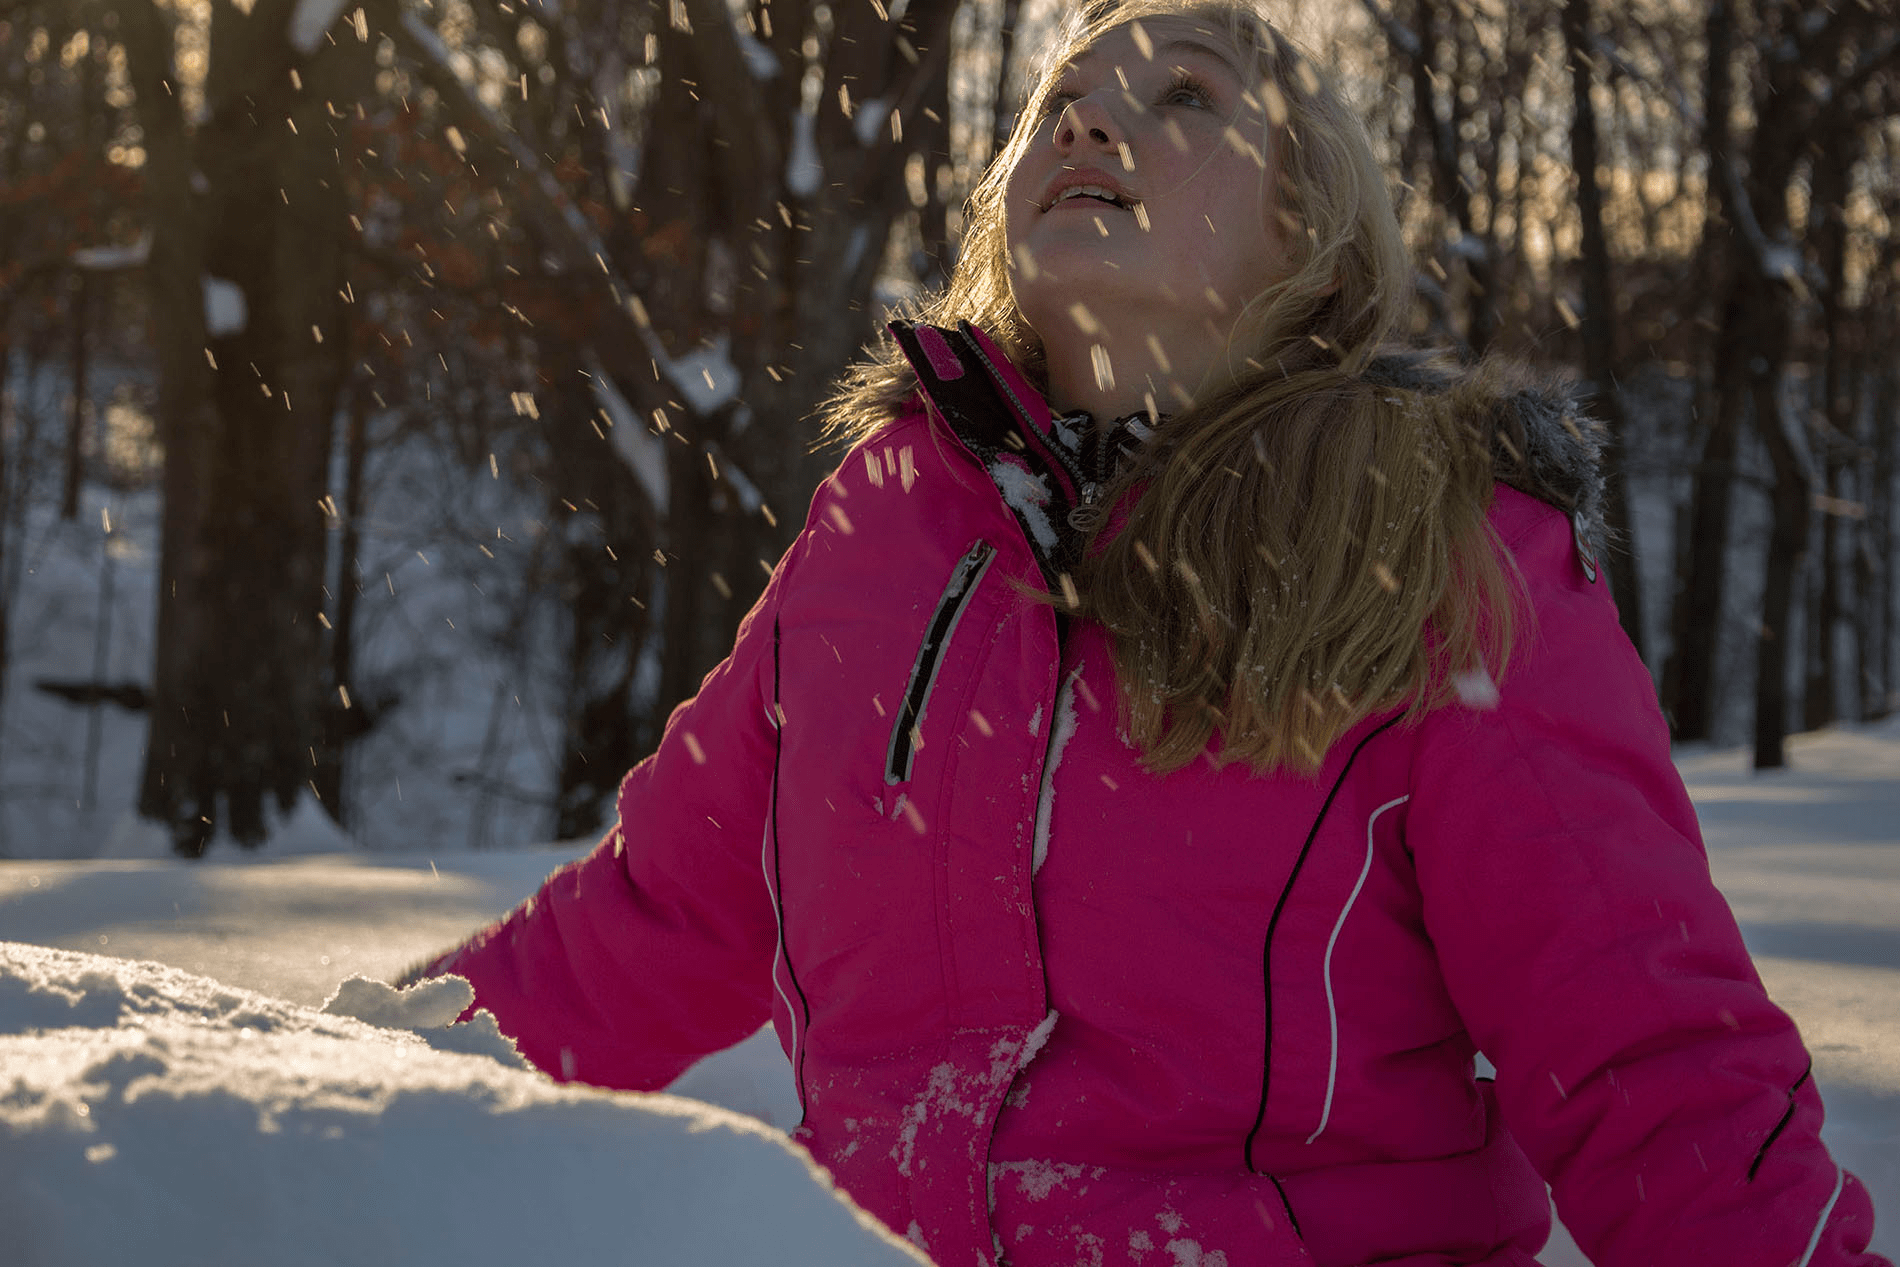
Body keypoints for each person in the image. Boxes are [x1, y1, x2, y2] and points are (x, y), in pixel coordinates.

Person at [415, 2, 1889, 1263]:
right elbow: (652, 920)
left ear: (1303, 232)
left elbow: (1645, 1055)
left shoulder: (1440, 551)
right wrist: (347, 1079)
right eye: (1061, 99)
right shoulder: (883, 526)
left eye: (1183, 95)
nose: (1089, 122)